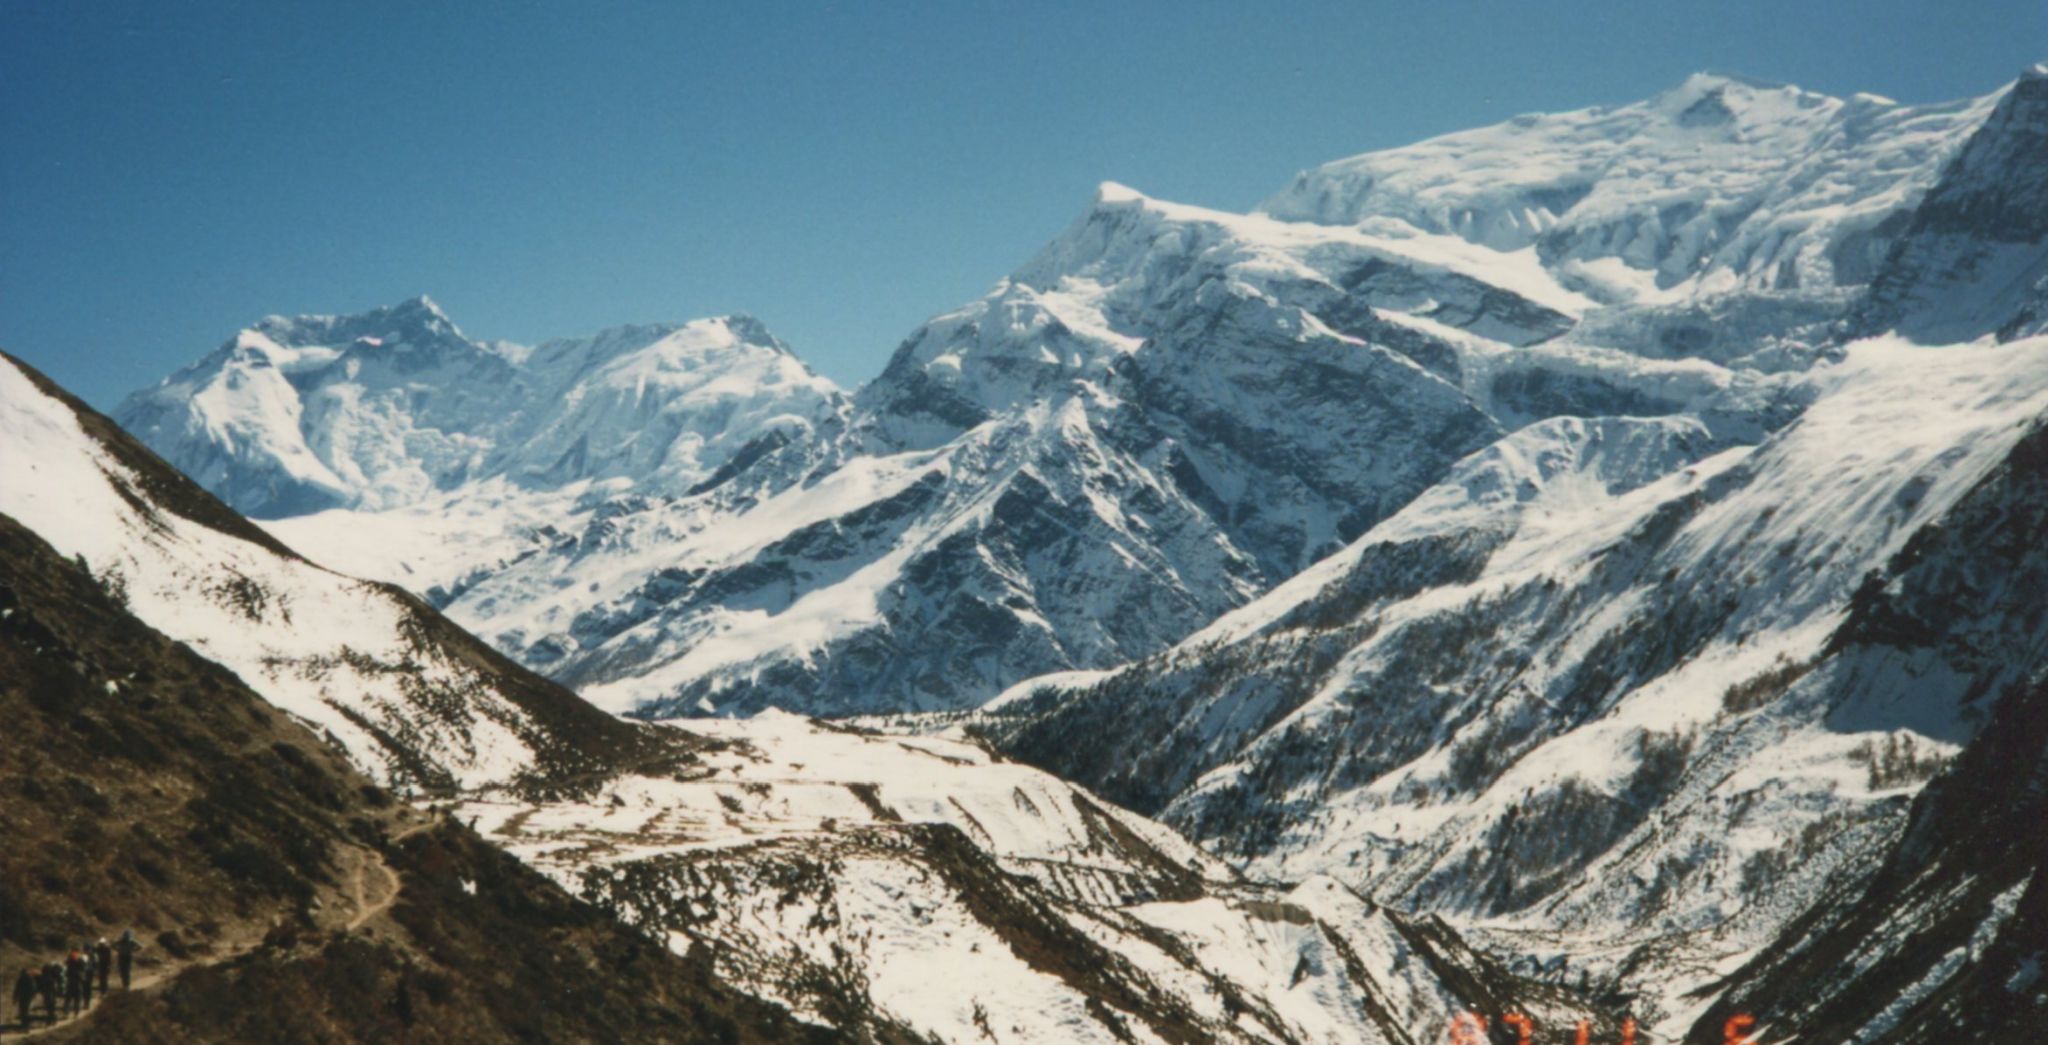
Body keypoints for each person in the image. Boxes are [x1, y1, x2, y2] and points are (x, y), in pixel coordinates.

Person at [63, 948, 83, 1015]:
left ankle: (66, 1012)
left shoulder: (69, 959)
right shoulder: (79, 959)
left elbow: (65, 965)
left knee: (68, 998)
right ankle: (76, 1012)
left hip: (70, 982)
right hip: (77, 982)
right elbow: (83, 968)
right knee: (77, 998)